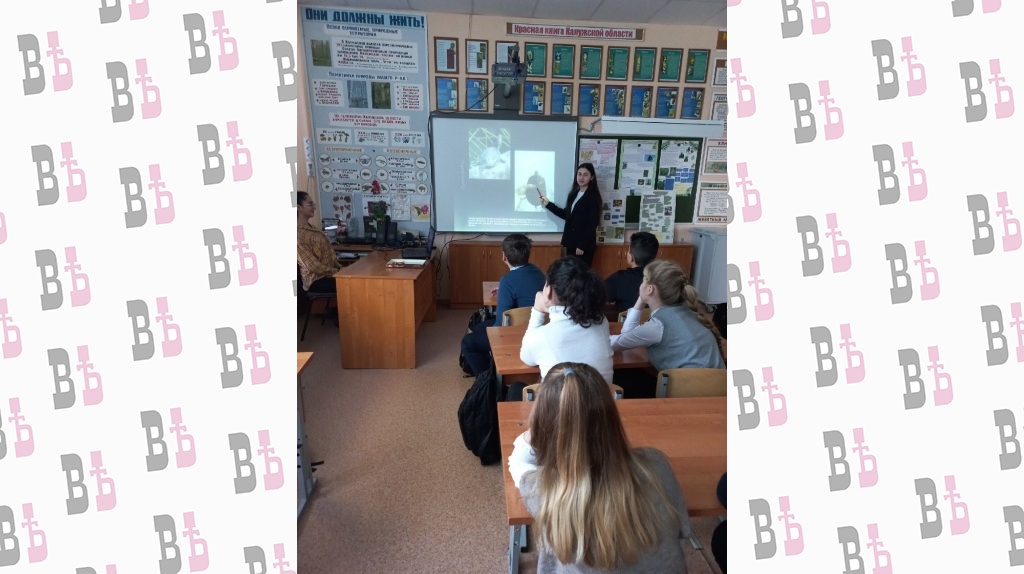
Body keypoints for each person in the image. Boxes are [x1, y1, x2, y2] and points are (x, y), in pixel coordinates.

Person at [507, 362, 694, 573]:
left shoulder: (543, 489)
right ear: (612, 414)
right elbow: (682, 531)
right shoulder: (656, 463)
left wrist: (537, 427)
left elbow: (517, 460)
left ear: (544, 424)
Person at [515, 257, 613, 399]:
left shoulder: (542, 336)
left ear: (548, 291)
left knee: (516, 389)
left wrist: (537, 311)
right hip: (601, 407)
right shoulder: (602, 322)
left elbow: (526, 357)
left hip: (557, 408)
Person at [611, 259, 725, 373]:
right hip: (719, 381)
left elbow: (619, 341)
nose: (641, 285)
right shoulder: (686, 311)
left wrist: (641, 299)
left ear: (650, 289)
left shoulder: (657, 326)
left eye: (643, 280)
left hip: (689, 384)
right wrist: (642, 297)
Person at [460, 234, 546, 376]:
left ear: (504, 256)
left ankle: (488, 380)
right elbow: (525, 287)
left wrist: (492, 338)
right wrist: (504, 289)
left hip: (516, 334)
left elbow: (501, 324)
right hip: (537, 328)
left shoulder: (507, 280)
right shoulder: (537, 271)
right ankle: (491, 362)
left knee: (468, 342)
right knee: (480, 327)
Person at [537, 163, 602, 268]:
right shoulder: (574, 194)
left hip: (583, 246)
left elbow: (592, 224)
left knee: (581, 274)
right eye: (579, 174)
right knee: (571, 273)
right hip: (571, 242)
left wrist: (582, 245)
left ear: (592, 177)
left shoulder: (592, 197)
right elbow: (567, 215)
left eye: (585, 175)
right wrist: (548, 204)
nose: (581, 177)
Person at [297, 191, 342, 294]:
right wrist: (337, 271)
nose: (314, 207)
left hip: (328, 275)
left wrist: (340, 268)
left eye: (313, 204)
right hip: (316, 280)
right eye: (310, 204)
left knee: (355, 278)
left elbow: (329, 256)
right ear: (298, 207)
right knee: (353, 284)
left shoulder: (312, 228)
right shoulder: (298, 234)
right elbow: (313, 266)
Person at [605, 231, 659, 313]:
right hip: (656, 320)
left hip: (626, 320)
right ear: (654, 257)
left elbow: (599, 295)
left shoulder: (620, 278)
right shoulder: (663, 278)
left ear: (631, 257)